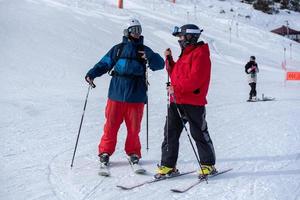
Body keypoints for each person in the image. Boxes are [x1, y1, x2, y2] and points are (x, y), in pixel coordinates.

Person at [85, 19, 164, 167]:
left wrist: (150, 57)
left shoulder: (144, 50)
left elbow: (160, 65)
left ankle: (133, 152)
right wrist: (92, 74)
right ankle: (105, 152)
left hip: (136, 95)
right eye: (134, 30)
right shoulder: (118, 49)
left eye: (139, 30)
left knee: (134, 128)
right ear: (127, 32)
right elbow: (104, 63)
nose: (137, 33)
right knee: (111, 125)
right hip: (116, 93)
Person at [155, 24, 216, 179]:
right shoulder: (186, 53)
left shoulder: (200, 54)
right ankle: (168, 166)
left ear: (190, 37)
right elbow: (176, 75)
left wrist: (177, 88)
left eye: (181, 37)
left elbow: (196, 79)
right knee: (170, 133)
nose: (180, 40)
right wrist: (169, 60)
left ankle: (208, 164)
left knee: (199, 133)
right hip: (177, 100)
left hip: (193, 102)